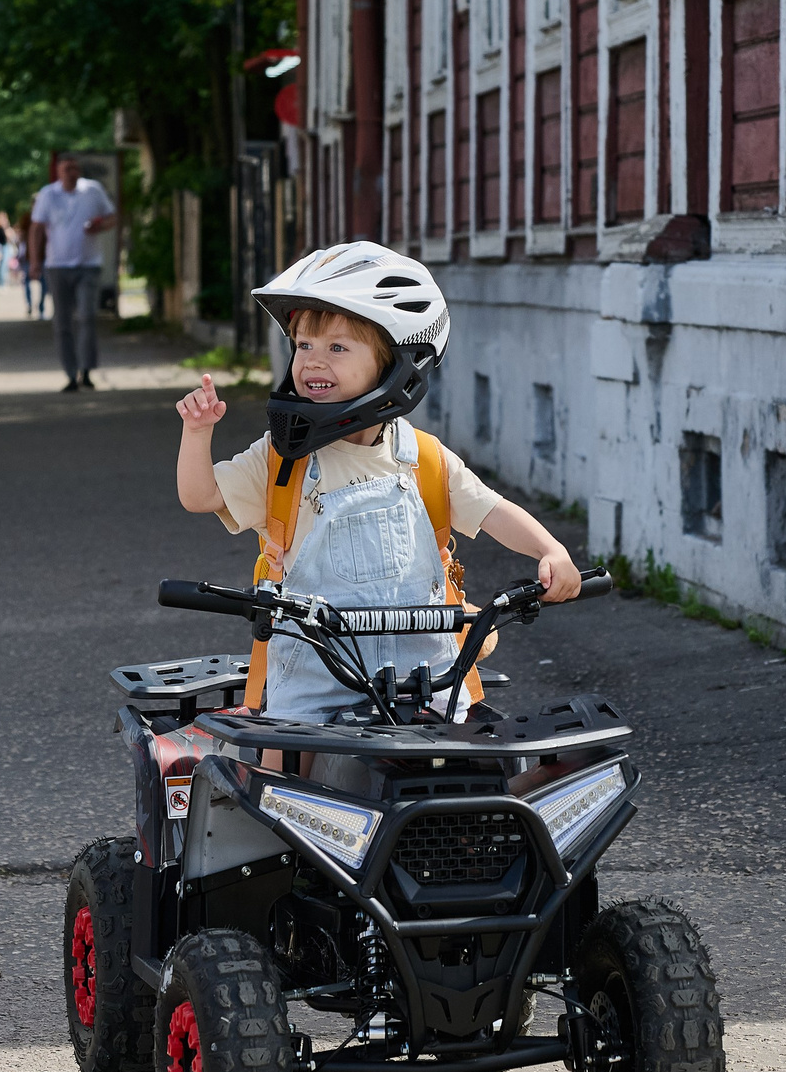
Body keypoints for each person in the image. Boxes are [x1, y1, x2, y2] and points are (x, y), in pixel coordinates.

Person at [175, 245, 581, 720]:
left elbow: (492, 511)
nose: (313, 362)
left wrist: (551, 551)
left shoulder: (424, 459)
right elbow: (200, 496)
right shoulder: (283, 460)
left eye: (338, 348)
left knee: (472, 774)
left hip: (426, 676)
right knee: (281, 775)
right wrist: (197, 433)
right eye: (304, 345)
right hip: (315, 679)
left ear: (392, 366)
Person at [29, 155, 116, 390]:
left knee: (87, 316)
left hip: (89, 265)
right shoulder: (48, 194)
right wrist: (35, 261)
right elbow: (36, 228)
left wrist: (101, 225)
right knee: (62, 322)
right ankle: (70, 373)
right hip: (58, 266)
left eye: (75, 168)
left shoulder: (93, 190)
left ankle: (86, 370)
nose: (72, 172)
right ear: (59, 172)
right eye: (67, 169)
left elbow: (111, 217)